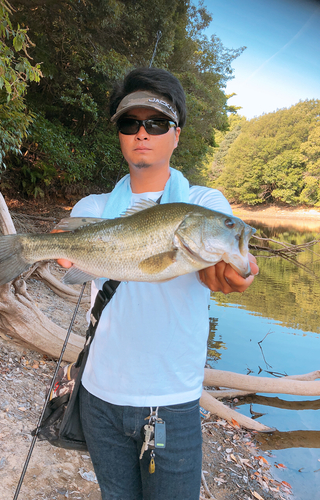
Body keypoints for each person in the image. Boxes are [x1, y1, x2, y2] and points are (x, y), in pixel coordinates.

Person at [58, 67, 258, 500]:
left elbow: (219, 271)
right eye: (131, 123)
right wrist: (47, 250)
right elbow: (76, 265)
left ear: (177, 134)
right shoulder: (92, 208)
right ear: (120, 134)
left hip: (172, 404)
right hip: (98, 398)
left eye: (157, 122)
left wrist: (231, 272)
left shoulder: (204, 204)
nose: (142, 133)